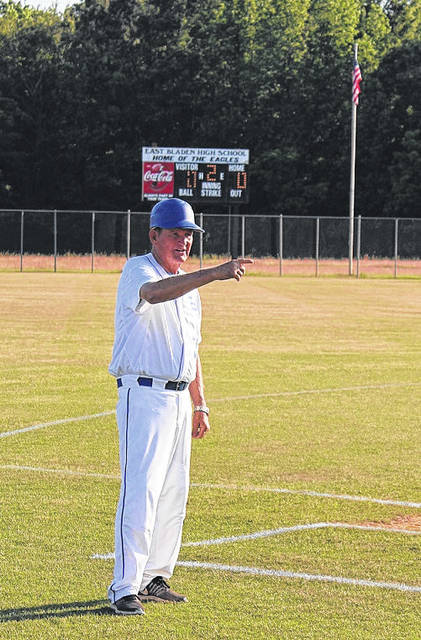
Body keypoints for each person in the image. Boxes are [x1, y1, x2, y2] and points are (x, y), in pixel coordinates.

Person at [107, 198, 252, 615]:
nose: (184, 241)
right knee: (142, 490)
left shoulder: (189, 289)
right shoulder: (139, 269)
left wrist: (200, 402)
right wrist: (215, 273)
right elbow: (153, 295)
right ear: (154, 235)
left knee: (173, 494)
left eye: (189, 235)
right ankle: (124, 586)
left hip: (177, 399)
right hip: (144, 394)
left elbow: (192, 349)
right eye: (175, 233)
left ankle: (154, 576)